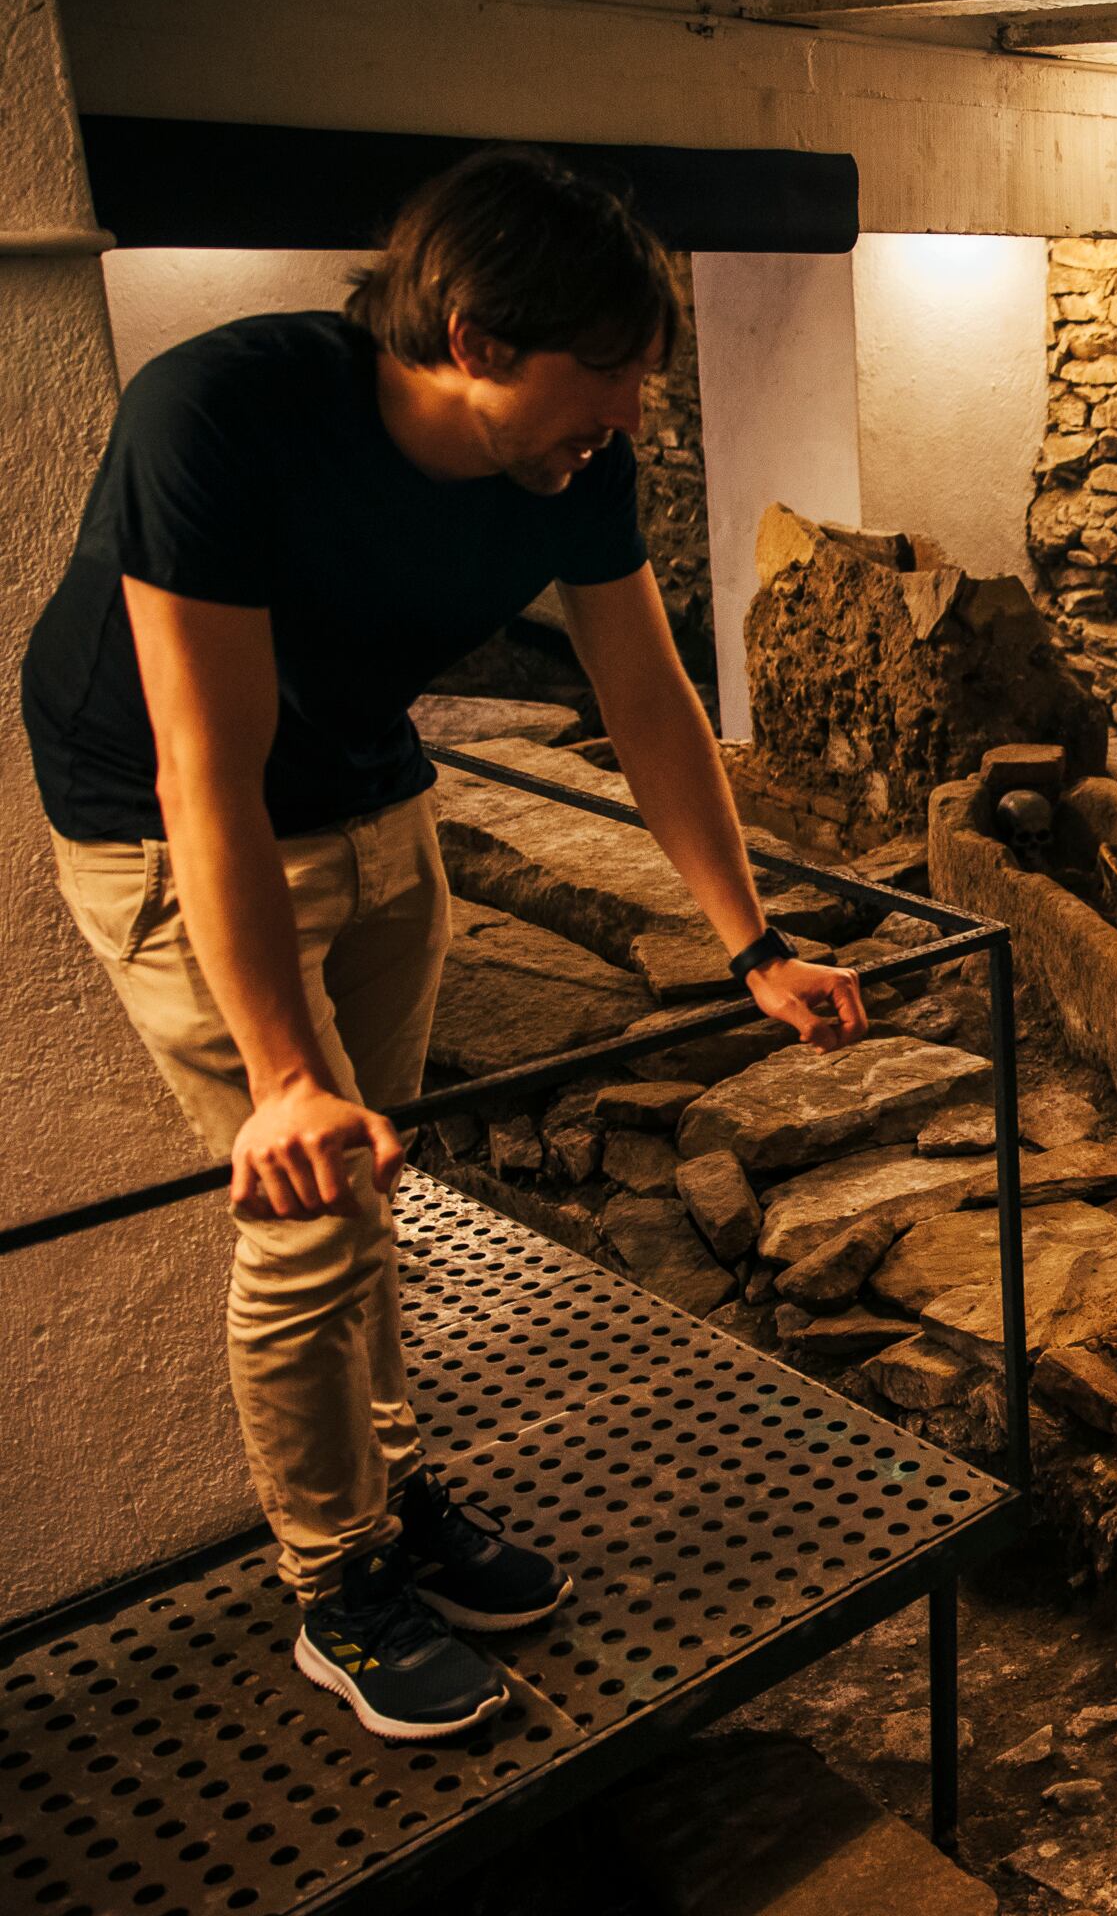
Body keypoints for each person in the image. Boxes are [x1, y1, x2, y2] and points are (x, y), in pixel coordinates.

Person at [21, 147, 868, 1743]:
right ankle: (334, 1584)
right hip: (165, 828)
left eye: (636, 381)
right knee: (313, 1210)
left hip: (370, 794)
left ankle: (393, 1503)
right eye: (602, 376)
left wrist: (751, 941)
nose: (626, 418)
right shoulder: (220, 416)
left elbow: (644, 690)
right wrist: (282, 1078)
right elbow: (207, 768)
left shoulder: (570, 457)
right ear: (473, 337)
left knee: (380, 1175)